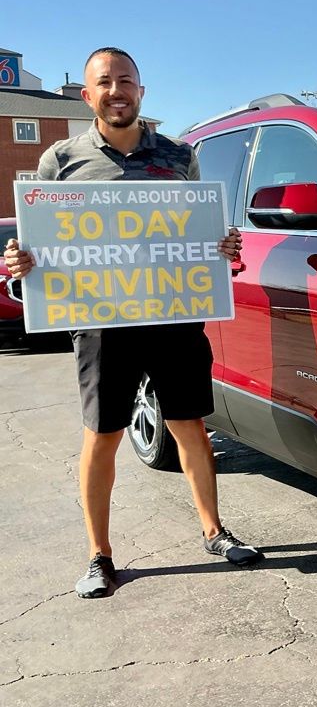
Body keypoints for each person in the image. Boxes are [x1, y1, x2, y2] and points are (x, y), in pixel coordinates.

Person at [4, 47, 262, 598]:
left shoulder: (178, 156)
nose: (116, 90)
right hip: (101, 321)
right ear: (87, 94)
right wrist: (20, 263)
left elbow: (202, 235)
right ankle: (100, 556)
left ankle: (214, 531)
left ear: (141, 91)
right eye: (105, 82)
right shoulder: (60, 161)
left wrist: (223, 247)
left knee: (189, 424)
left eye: (126, 81)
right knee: (103, 435)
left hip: (173, 313)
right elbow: (41, 249)